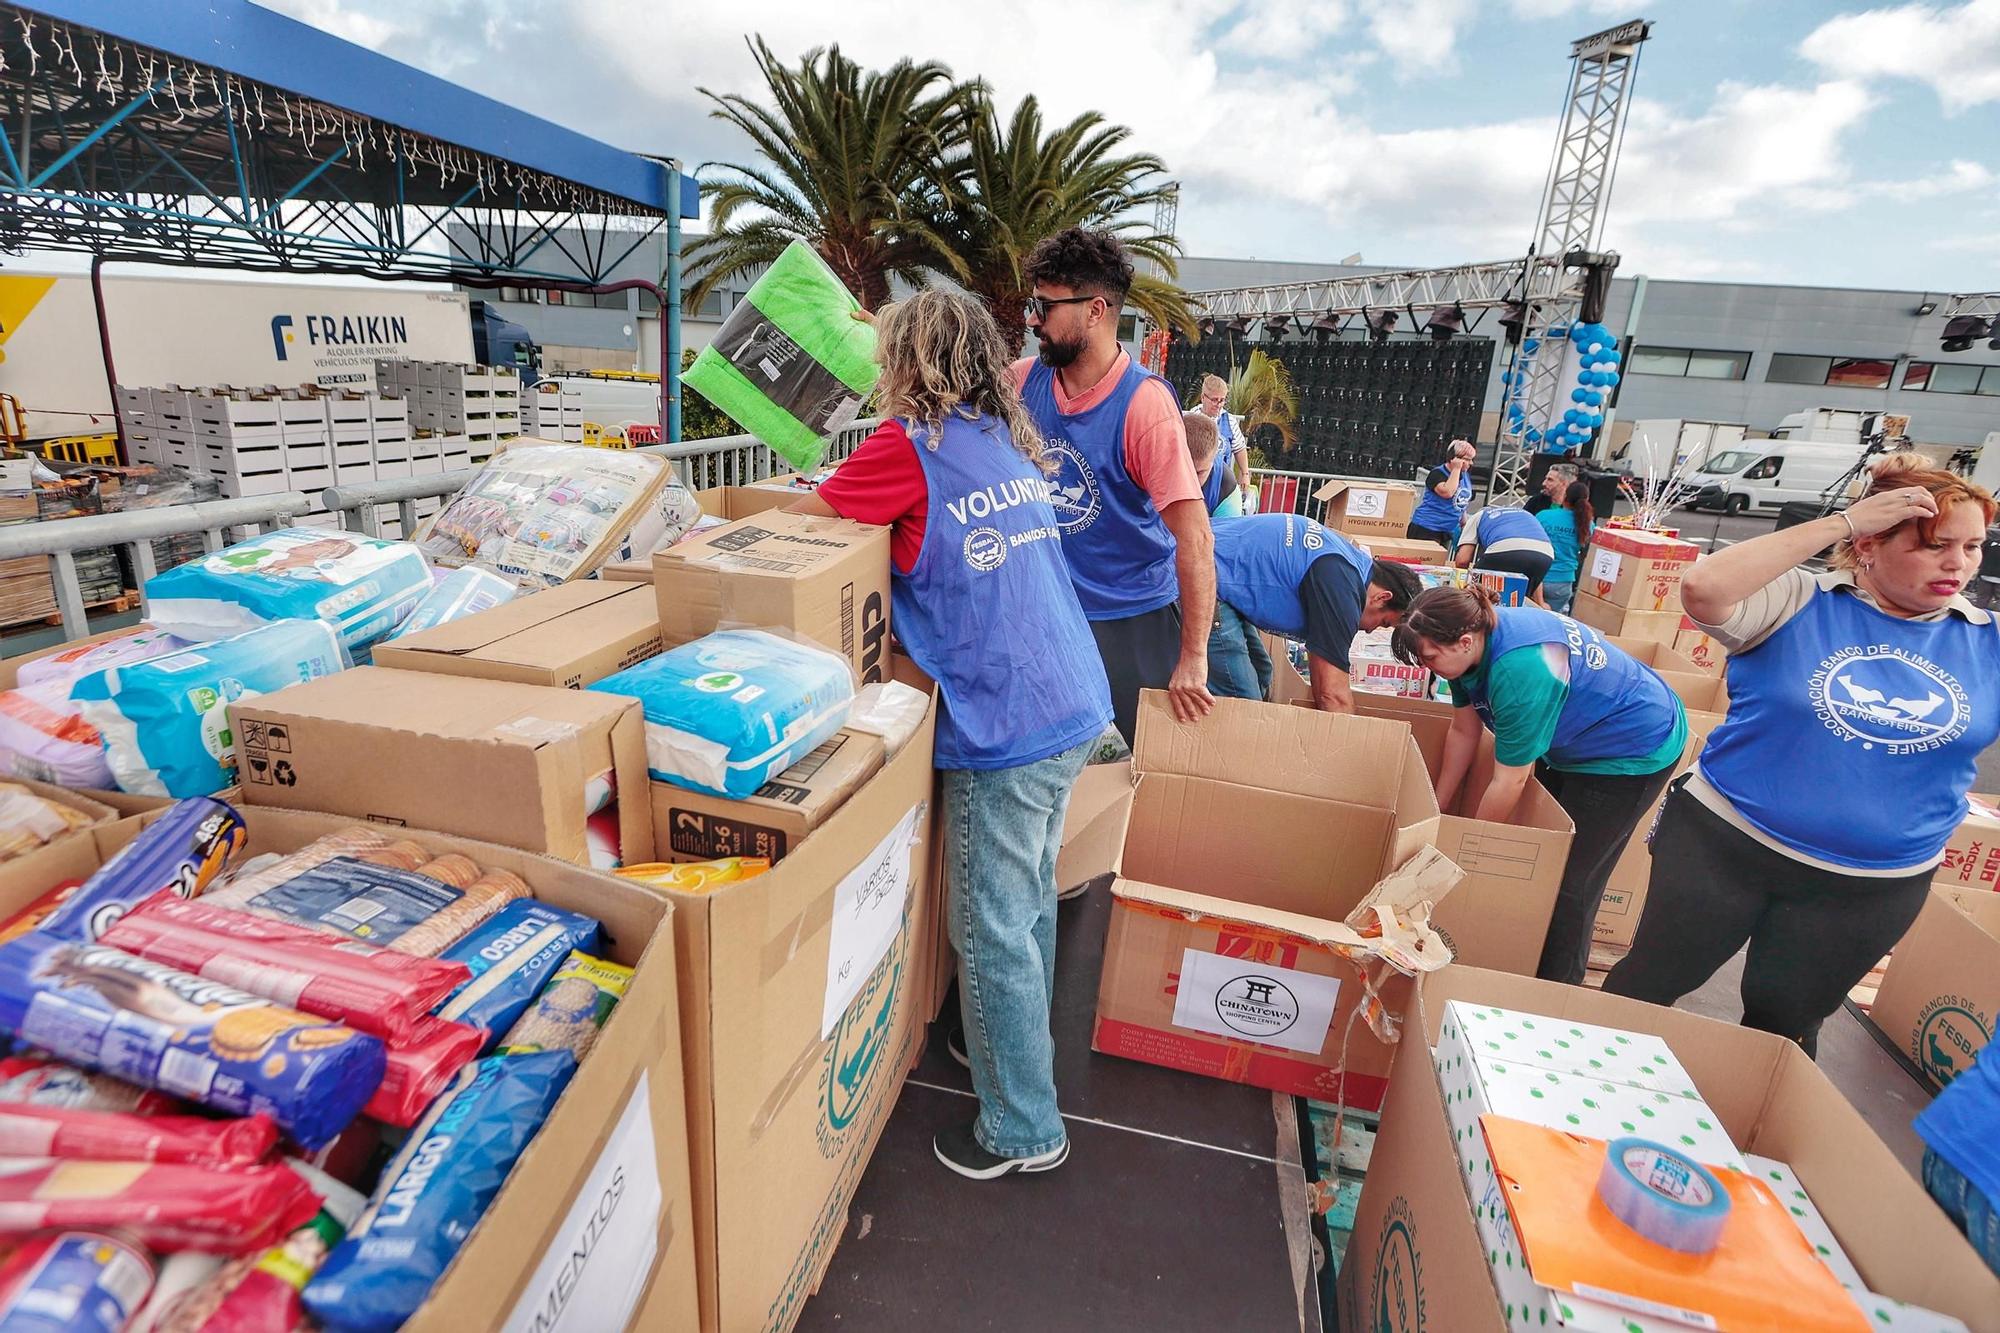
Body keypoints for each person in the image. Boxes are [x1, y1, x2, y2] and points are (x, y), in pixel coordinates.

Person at [792, 290, 1113, 1179]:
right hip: (1069, 700)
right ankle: (1004, 1044)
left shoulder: (907, 447)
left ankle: (1023, 1127)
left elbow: (806, 527)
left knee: (991, 924)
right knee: (1028, 900)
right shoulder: (1000, 436)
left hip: (1005, 722)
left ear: (908, 361)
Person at [1604, 457, 2000, 1056]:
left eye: (1972, 547)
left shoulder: (1987, 639)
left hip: (1872, 884)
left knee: (1784, 1025)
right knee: (1648, 985)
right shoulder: (1800, 600)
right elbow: (1704, 588)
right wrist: (1843, 521)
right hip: (1725, 844)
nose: (1958, 564)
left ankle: (1750, 1114)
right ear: (1869, 545)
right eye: (1935, 546)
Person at [1392, 586, 1687, 984]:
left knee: (1571, 883)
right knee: (1539, 862)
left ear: (1464, 641)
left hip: (1630, 746)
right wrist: (1438, 809)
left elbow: (1510, 779)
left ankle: (1555, 990)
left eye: (1430, 657)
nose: (1430, 667)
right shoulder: (1466, 650)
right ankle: (1519, 957)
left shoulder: (1520, 669)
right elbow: (1464, 731)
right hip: (1571, 736)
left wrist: (1471, 846)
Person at [1014, 227, 1216, 744]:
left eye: (1045, 306)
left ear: (1096, 311)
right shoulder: (1024, 380)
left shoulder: (1144, 407)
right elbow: (948, 381)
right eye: (1033, 304)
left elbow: (1195, 539)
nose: (1033, 320)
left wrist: (1193, 657)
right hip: (1051, 614)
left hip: (1131, 620)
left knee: (1129, 765)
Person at [1210, 513, 1422, 710]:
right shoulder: (1341, 590)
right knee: (1245, 700)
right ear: (1382, 597)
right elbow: (1331, 695)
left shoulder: (1352, 563)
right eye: (1383, 622)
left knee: (1262, 672)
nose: (1369, 630)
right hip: (1205, 577)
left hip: (1217, 558)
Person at [1457, 504, 1556, 602]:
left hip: (1504, 547)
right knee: (1517, 601)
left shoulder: (1478, 516)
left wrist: (1460, 586)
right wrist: (1540, 602)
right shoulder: (1524, 514)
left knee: (1477, 598)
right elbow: (1531, 559)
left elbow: (1462, 560)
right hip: (1545, 553)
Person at [1194, 373, 1250, 514]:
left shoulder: (1229, 421)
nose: (1218, 405)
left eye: (1222, 400)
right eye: (1214, 400)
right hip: (1196, 483)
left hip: (1222, 484)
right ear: (1203, 397)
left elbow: (1240, 448)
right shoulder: (1192, 418)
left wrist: (1245, 473)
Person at [1536, 480, 1595, 614]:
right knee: (1553, 621)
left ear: (1565, 497)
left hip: (1538, 577)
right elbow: (1586, 554)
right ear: (1586, 500)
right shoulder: (1588, 526)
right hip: (1563, 581)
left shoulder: (1543, 516)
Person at [1408, 439, 1476, 546]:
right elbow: (1448, 492)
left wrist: (1464, 523)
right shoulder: (1437, 474)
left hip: (1447, 529)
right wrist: (1456, 469)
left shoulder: (1465, 475)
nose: (1471, 463)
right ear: (1455, 459)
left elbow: (1461, 500)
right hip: (1428, 527)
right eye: (1467, 459)